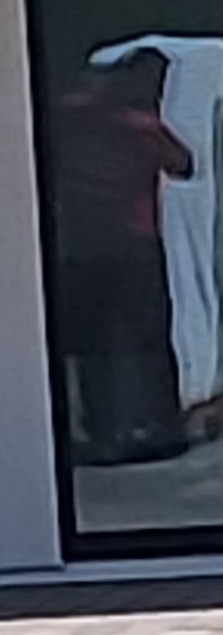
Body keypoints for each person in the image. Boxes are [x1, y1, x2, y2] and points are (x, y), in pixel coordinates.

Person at [54, 52, 192, 466]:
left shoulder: (73, 122)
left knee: (96, 344)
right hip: (136, 248)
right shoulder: (142, 129)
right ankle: (160, 427)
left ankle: (103, 431)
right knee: (148, 338)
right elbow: (183, 165)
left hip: (85, 247)